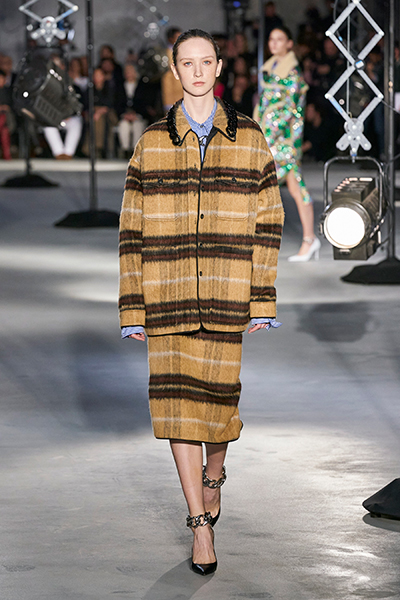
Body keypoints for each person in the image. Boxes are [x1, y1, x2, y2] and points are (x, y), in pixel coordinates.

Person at [119, 29, 284, 575]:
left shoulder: (250, 137)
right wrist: (132, 308)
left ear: (218, 68)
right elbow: (131, 231)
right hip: (166, 296)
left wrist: (262, 297)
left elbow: (269, 223)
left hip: (225, 293)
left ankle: (214, 477)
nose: (196, 71)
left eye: (205, 61)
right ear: (174, 69)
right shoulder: (151, 142)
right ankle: (199, 525)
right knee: (178, 411)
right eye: (186, 63)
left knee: (217, 405)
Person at [254, 26, 320, 261]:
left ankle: (306, 240)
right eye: (271, 39)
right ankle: (308, 240)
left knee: (273, 185)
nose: (274, 43)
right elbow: (265, 105)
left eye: (280, 39)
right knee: (292, 186)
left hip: (283, 139)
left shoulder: (291, 72)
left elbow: (291, 109)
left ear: (289, 44)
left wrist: (269, 135)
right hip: (269, 136)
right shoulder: (270, 68)